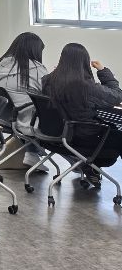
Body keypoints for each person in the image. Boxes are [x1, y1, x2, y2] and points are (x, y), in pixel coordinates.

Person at [42, 43, 122, 185]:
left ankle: (88, 166)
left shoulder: (47, 81)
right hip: (84, 138)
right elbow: (117, 96)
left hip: (55, 136)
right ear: (84, 63)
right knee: (117, 137)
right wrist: (103, 71)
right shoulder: (87, 87)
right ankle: (90, 165)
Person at [0, 32, 48, 167]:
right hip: (27, 120)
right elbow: (48, 92)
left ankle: (32, 153)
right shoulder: (36, 68)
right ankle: (32, 153)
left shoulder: (0, 66)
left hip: (2, 118)